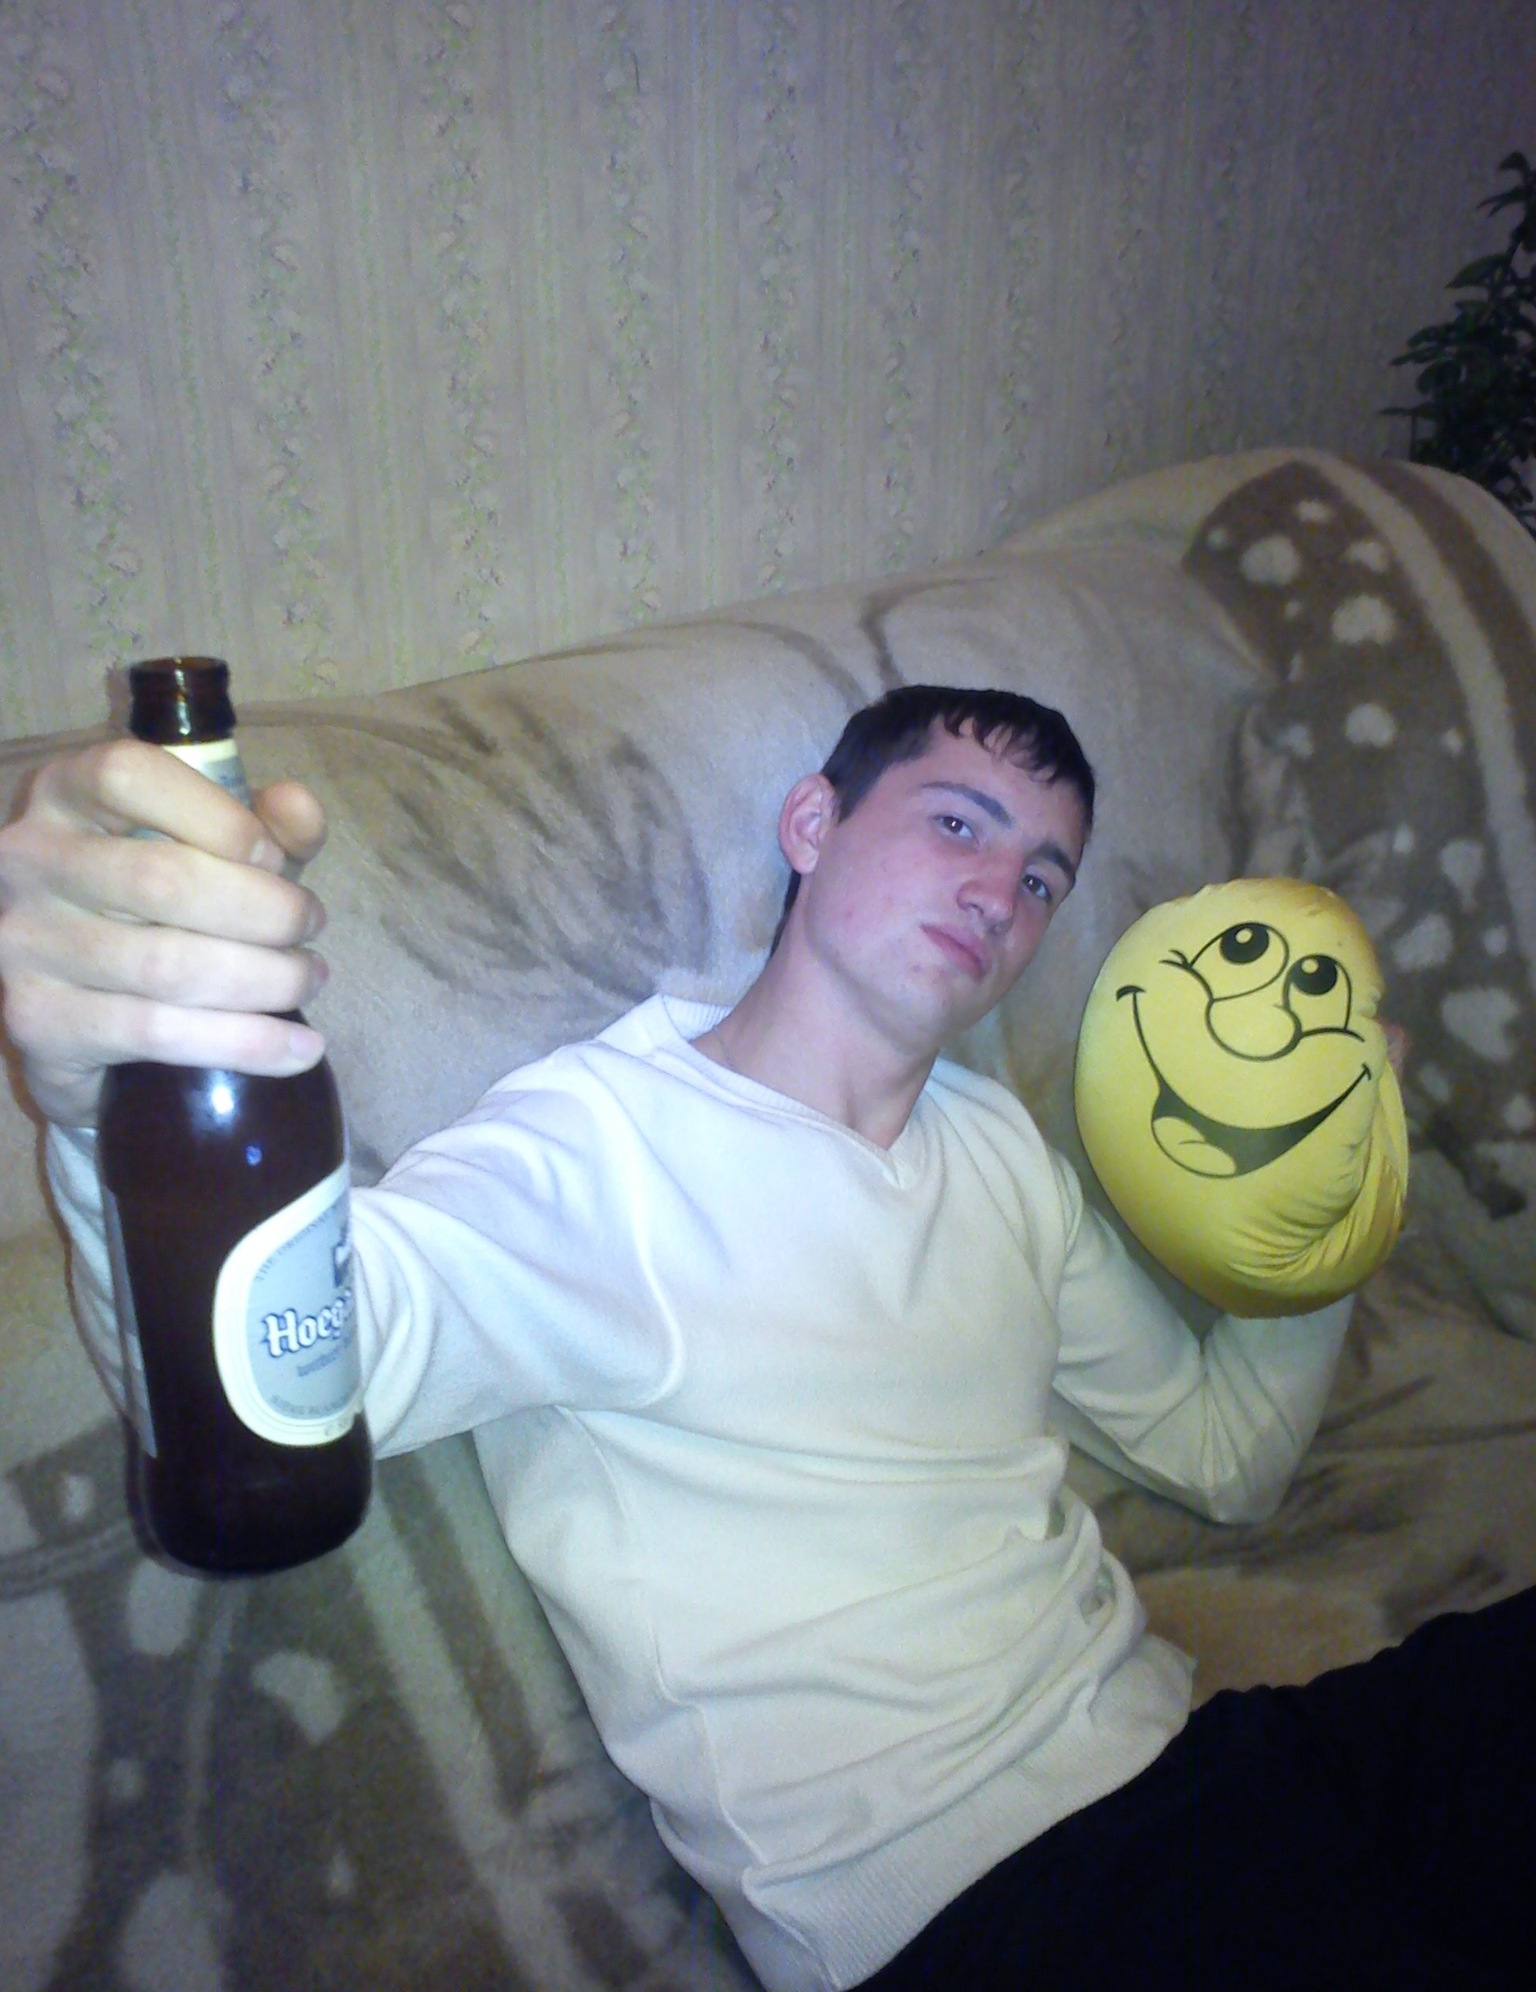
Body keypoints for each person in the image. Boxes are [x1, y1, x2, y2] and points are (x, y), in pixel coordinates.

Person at [0, 683, 1529, 1992]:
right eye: (957, 822)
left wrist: (1337, 1194)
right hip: (996, 1914)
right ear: (811, 824)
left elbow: (1224, 1461)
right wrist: (102, 1096)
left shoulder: (998, 1147)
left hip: (1215, 1763)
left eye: (1043, 876)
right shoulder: (605, 1154)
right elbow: (260, 1391)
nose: (1000, 893)